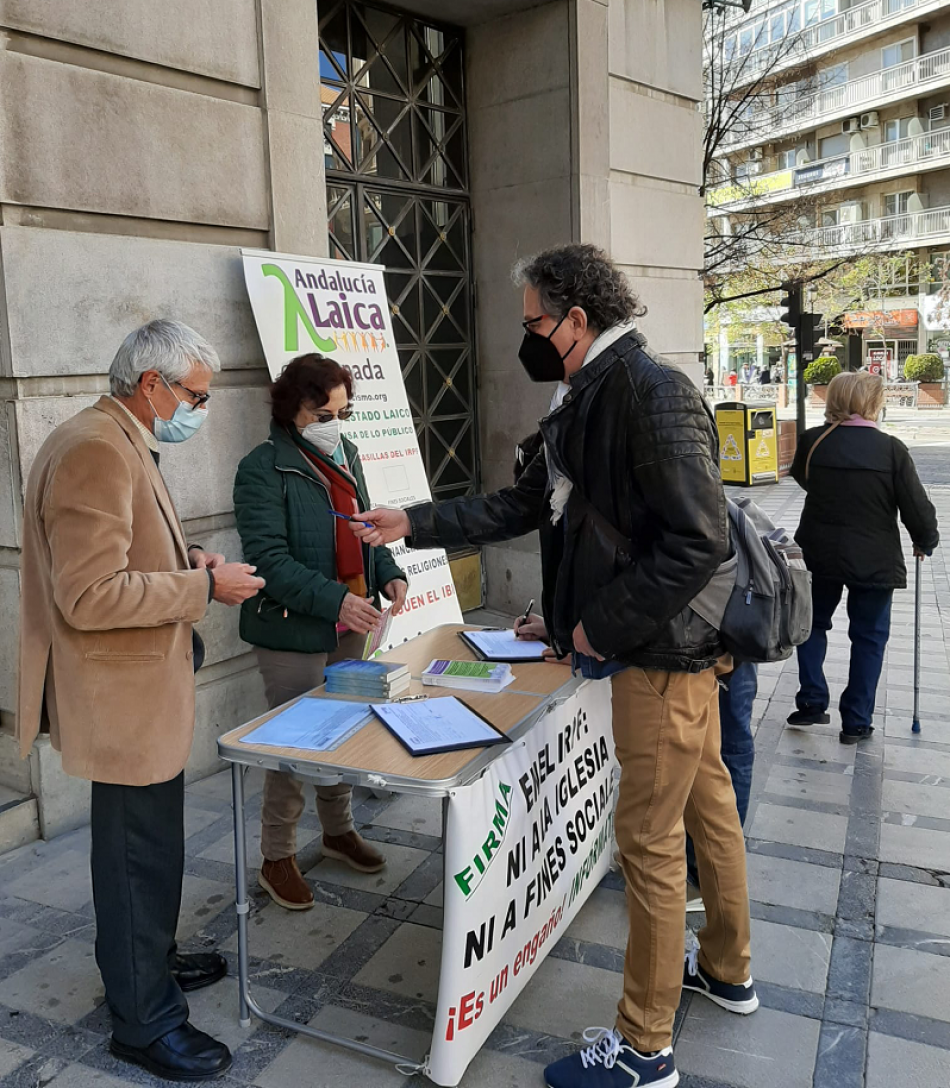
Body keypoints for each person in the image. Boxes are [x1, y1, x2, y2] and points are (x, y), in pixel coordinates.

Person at [350, 244, 757, 1088]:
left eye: (536, 320)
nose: (527, 336)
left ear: (578, 318)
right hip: (655, 652)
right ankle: (728, 968)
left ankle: (646, 1048)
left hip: (658, 656)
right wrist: (412, 524)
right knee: (709, 802)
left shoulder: (650, 392)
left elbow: (697, 539)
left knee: (648, 843)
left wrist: (596, 629)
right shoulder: (587, 393)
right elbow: (531, 505)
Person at [17, 321, 265, 1080]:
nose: (200, 409)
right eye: (194, 395)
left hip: (138, 692)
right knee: (135, 859)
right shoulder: (95, 446)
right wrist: (203, 587)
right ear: (150, 384)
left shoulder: (118, 434)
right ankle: (144, 1021)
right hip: (119, 702)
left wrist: (185, 558)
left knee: (151, 853)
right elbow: (88, 594)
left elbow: (124, 554)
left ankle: (148, 962)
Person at [233, 354, 407, 910]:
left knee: (344, 732)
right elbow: (270, 562)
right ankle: (276, 856)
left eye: (343, 410)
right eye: (323, 411)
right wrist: (340, 600)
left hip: (350, 623)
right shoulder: (262, 468)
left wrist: (390, 573)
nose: (335, 422)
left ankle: (337, 832)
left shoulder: (346, 455)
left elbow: (363, 531)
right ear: (293, 409)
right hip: (291, 631)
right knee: (294, 745)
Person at [789, 370, 939, 743]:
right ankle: (856, 721)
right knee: (869, 637)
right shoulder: (890, 449)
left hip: (818, 551)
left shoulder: (813, 442)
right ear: (873, 403)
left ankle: (811, 701)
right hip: (873, 557)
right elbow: (915, 507)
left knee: (810, 625)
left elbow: (801, 477)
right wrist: (925, 539)